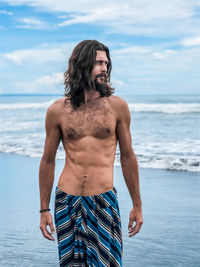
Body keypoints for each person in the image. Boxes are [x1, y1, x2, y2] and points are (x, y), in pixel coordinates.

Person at [39, 40, 143, 266]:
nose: (104, 68)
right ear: (82, 65)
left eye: (106, 63)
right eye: (98, 63)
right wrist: (44, 209)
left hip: (103, 201)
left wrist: (137, 204)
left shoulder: (117, 107)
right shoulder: (57, 110)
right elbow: (47, 160)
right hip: (67, 201)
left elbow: (127, 157)